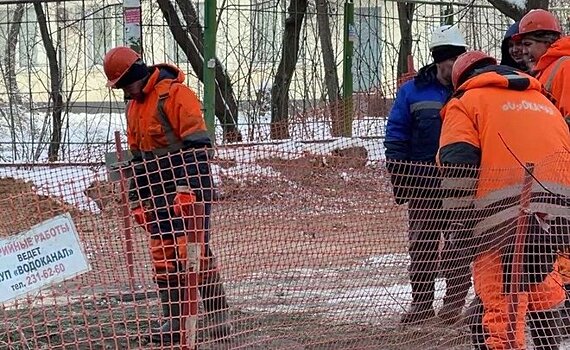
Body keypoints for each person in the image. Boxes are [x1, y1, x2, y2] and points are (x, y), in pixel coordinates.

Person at [439, 50, 570, 349]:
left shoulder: (465, 102)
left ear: (462, 79)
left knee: (499, 301)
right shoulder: (542, 100)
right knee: (541, 284)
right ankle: (550, 344)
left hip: (499, 217)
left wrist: (460, 229)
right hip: (557, 212)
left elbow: (458, 167)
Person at [102, 46, 232, 344]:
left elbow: (198, 146)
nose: (124, 91)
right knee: (163, 255)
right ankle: (173, 322)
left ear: (136, 74)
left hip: (189, 188)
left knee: (193, 253)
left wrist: (188, 189)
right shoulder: (134, 106)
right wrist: (137, 201)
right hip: (158, 191)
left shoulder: (176, 95)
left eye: (125, 84)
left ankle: (218, 321)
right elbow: (138, 160)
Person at [384, 24, 471, 325]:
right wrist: (399, 175)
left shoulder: (471, 90)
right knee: (421, 245)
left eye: (458, 59)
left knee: (460, 244)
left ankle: (452, 308)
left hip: (461, 184)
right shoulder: (412, 91)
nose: (453, 66)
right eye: (448, 60)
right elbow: (396, 133)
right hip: (423, 183)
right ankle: (421, 305)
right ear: (438, 58)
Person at [513, 9, 570, 123]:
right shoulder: (542, 71)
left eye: (528, 44)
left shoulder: (565, 66)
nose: (524, 51)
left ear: (547, 41)